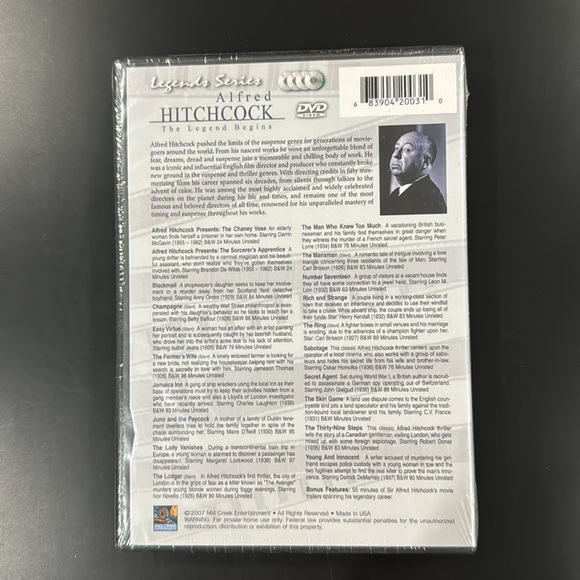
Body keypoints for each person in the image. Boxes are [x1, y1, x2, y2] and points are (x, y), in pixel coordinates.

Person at [380, 131, 447, 215]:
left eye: (407, 150)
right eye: (396, 148)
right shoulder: (397, 193)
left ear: (425, 162)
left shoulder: (429, 200)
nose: (395, 155)